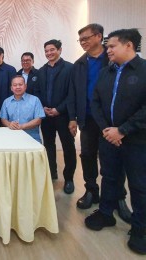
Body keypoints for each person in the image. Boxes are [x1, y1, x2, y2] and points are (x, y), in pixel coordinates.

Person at [85, 28, 146, 255]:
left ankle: (140, 228)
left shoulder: (144, 70)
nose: (107, 50)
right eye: (107, 46)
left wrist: (123, 130)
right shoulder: (106, 72)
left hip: (137, 140)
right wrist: (107, 130)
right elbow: (95, 102)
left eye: (112, 46)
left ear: (128, 45)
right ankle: (106, 213)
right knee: (108, 177)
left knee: (139, 185)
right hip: (108, 137)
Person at [68, 23, 131, 221]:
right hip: (87, 118)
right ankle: (91, 190)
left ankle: (118, 198)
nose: (83, 43)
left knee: (113, 159)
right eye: (81, 40)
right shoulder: (79, 64)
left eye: (86, 38)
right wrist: (72, 117)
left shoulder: (113, 59)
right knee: (87, 155)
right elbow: (73, 92)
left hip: (111, 121)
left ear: (98, 36)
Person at [34, 39, 76, 194]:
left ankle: (69, 178)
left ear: (60, 50)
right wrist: (43, 107)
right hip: (46, 115)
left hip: (63, 115)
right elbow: (37, 91)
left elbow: (72, 93)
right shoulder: (41, 70)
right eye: (46, 51)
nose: (49, 53)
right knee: (49, 145)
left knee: (68, 146)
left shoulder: (70, 68)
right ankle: (52, 173)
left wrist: (59, 109)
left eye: (52, 50)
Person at [0, 75, 45, 142]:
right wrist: (9, 124)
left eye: (20, 84)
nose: (18, 87)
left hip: (32, 138)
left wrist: (22, 126)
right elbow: (3, 119)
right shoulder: (6, 102)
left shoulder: (35, 100)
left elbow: (38, 120)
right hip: (11, 138)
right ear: (11, 88)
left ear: (25, 86)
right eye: (15, 85)